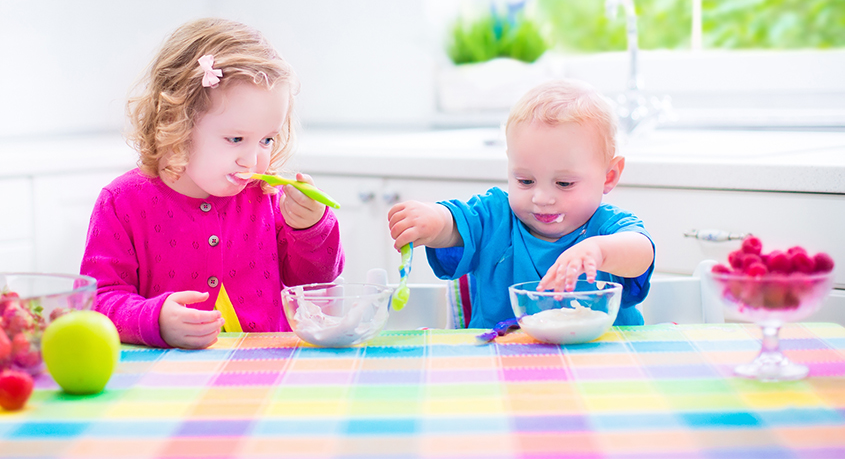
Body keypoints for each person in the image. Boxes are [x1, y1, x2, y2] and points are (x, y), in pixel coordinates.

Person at [81, 18, 345, 349]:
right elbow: (98, 301)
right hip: (166, 382)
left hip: (268, 373)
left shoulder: (267, 199)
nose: (252, 160)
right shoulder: (122, 203)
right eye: (236, 138)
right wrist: (154, 319)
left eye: (266, 140)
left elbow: (315, 285)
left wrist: (312, 228)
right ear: (176, 122)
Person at [387, 79, 654, 327]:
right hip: (503, 367)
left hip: (600, 366)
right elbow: (455, 224)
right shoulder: (495, 217)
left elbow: (641, 252)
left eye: (564, 184)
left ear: (609, 176)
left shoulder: (610, 227)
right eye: (525, 181)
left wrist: (599, 251)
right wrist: (433, 220)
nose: (541, 198)